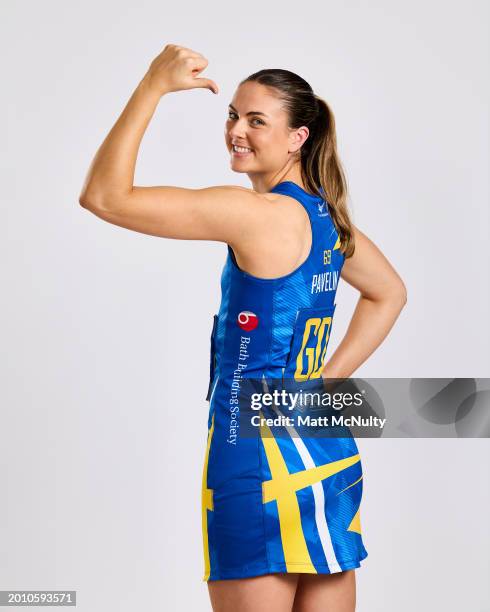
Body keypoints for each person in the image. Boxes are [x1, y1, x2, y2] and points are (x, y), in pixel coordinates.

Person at [79, 43, 407, 612]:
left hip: (251, 454)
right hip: (324, 447)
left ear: (297, 137)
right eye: (233, 114)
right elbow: (389, 292)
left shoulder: (254, 214)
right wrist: (328, 381)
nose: (237, 130)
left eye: (257, 120)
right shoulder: (328, 220)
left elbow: (104, 197)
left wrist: (152, 86)